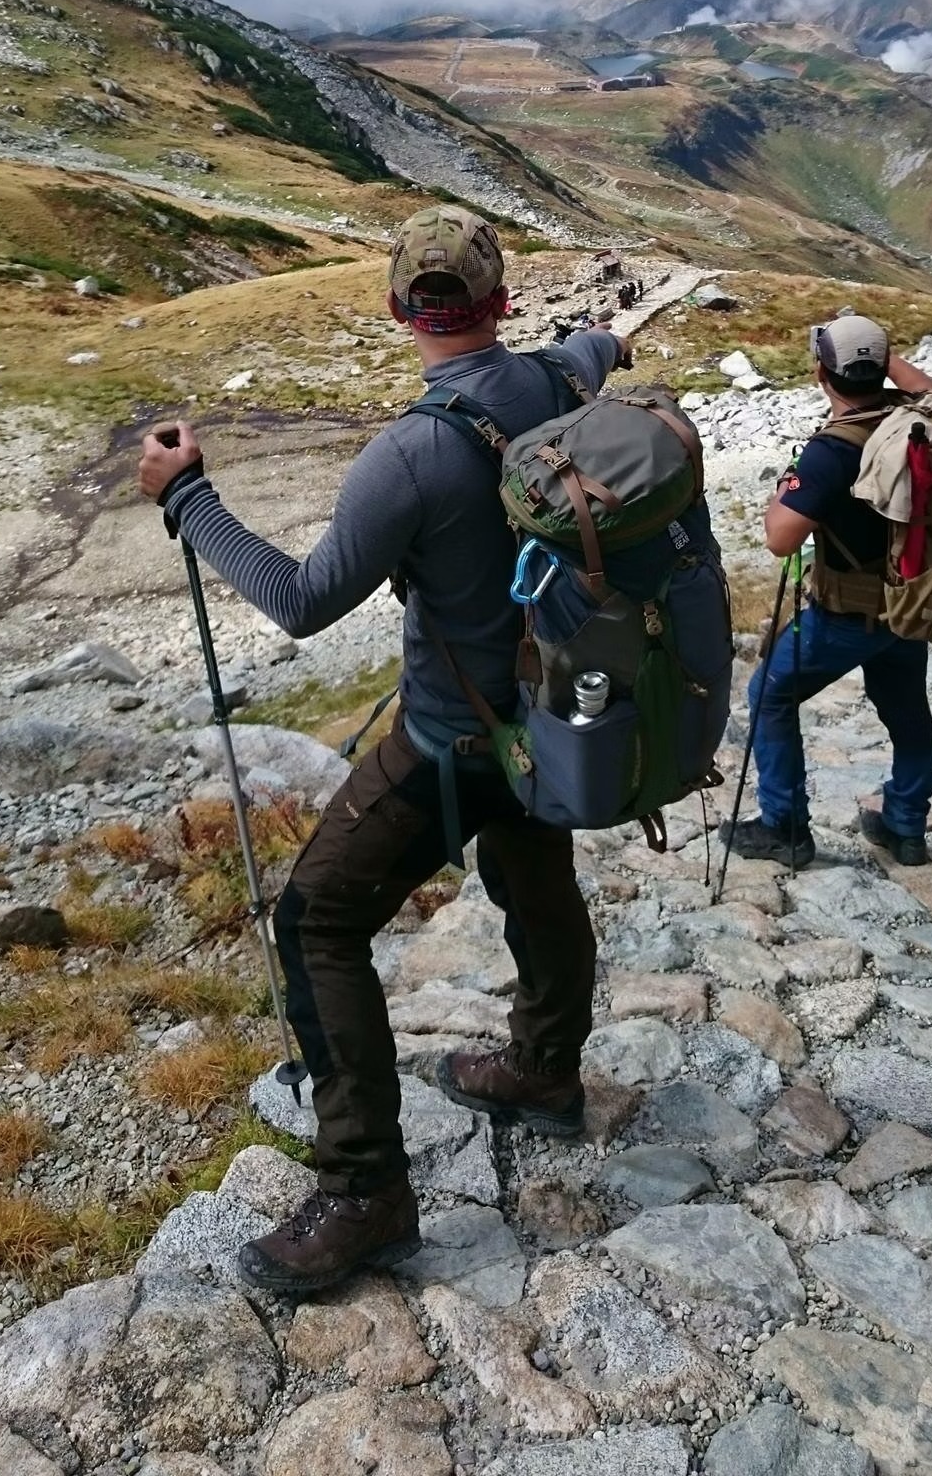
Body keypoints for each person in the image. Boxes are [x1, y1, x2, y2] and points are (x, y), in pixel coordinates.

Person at [139, 206, 630, 1297]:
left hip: (451, 734)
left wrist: (188, 495)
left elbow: (304, 601)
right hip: (547, 716)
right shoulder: (562, 377)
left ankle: (365, 1186)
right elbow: (604, 345)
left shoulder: (410, 453)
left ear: (400, 309)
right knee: (532, 871)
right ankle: (545, 1066)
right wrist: (599, 336)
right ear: (503, 302)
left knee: (314, 919)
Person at [721, 313, 932, 872]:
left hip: (847, 612)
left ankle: (784, 825)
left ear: (821, 371)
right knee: (907, 709)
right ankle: (906, 826)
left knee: (771, 695)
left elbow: (779, 538)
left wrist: (788, 487)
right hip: (909, 603)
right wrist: (879, 353)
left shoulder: (832, 450)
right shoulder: (916, 419)